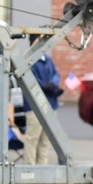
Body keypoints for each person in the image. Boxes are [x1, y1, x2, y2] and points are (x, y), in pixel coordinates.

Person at [22, 35, 62, 164]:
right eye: (38, 40)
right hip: (34, 107)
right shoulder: (28, 61)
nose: (41, 43)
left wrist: (53, 85)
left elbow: (56, 74)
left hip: (50, 105)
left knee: (45, 140)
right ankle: (29, 171)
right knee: (32, 138)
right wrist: (47, 86)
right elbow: (32, 81)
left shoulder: (47, 59)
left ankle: (42, 169)